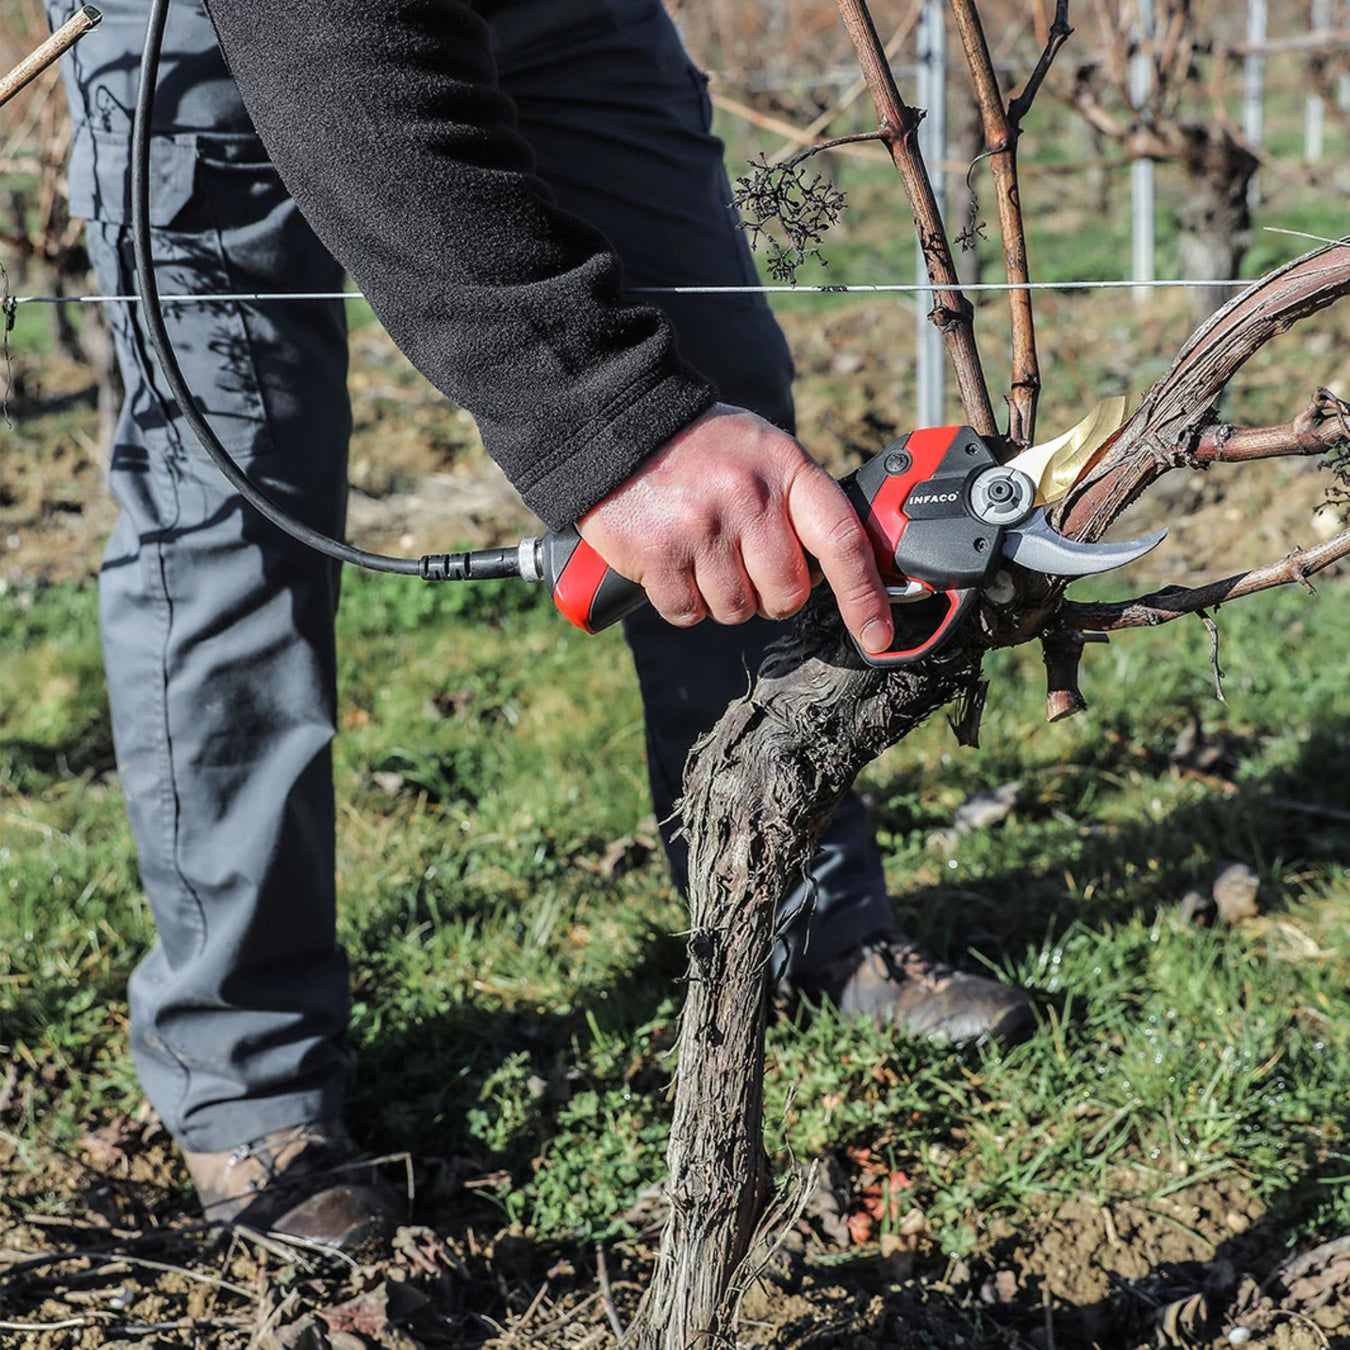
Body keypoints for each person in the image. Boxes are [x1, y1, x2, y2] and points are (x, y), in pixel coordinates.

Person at [46, 0, 1033, 1250]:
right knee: (233, 532)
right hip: (226, 28)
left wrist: (665, 423)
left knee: (732, 432)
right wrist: (610, 422)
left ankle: (800, 919)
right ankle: (252, 1082)